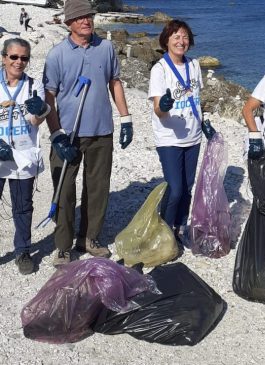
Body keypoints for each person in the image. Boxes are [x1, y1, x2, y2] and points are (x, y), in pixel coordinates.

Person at [43, 0, 133, 267]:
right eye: (80, 17)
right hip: (68, 135)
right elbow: (49, 96)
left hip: (101, 131)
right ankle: (62, 246)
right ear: (69, 22)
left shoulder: (105, 47)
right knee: (64, 191)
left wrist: (126, 118)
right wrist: (56, 134)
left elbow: (114, 82)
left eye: (89, 16)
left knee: (97, 190)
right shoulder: (57, 54)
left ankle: (89, 239)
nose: (86, 20)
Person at [148, 19, 216, 248]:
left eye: (185, 36)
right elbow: (158, 109)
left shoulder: (194, 65)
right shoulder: (160, 69)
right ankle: (164, 232)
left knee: (187, 187)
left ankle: (179, 227)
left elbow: (196, 99)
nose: (181, 41)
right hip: (169, 137)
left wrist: (204, 122)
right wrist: (164, 106)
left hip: (193, 136)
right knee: (174, 188)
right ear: (166, 40)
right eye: (176, 36)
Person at [0, 38, 50, 274]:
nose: (19, 62)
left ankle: (22, 251)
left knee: (23, 207)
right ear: (4, 57)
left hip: (23, 155)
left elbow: (34, 122)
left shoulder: (33, 86)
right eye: (14, 57)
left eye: (24, 58)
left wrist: (40, 111)